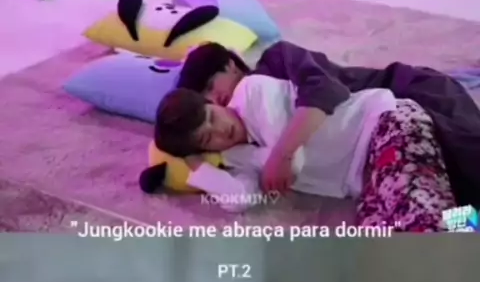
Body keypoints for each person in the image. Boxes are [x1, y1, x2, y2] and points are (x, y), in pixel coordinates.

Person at [175, 41, 480, 205]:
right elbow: (242, 193)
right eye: (207, 98)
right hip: (367, 156)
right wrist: (194, 162)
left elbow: (326, 90)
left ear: (230, 64)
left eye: (212, 85)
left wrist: (283, 153)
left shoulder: (274, 63)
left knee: (464, 155)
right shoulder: (236, 140)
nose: (217, 98)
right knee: (448, 205)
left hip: (406, 94)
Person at [154, 73, 454, 232]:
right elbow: (241, 199)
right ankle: (471, 218)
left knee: (420, 220)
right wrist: (197, 166)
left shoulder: (251, 92)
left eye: (212, 117)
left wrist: (270, 161)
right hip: (364, 180)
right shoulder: (235, 157)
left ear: (213, 103)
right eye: (209, 138)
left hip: (384, 124)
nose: (222, 130)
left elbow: (293, 160)